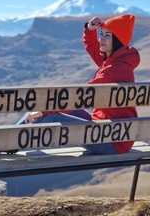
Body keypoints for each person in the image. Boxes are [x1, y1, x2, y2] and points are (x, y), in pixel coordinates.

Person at [18, 14, 140, 155]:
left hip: (111, 141)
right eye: (101, 34)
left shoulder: (115, 69)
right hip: (106, 131)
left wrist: (45, 111)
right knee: (44, 110)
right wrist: (89, 29)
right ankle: (1, 144)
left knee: (50, 115)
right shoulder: (115, 61)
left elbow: (80, 96)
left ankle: (1, 144)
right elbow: (93, 47)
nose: (101, 39)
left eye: (107, 35)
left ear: (118, 40)